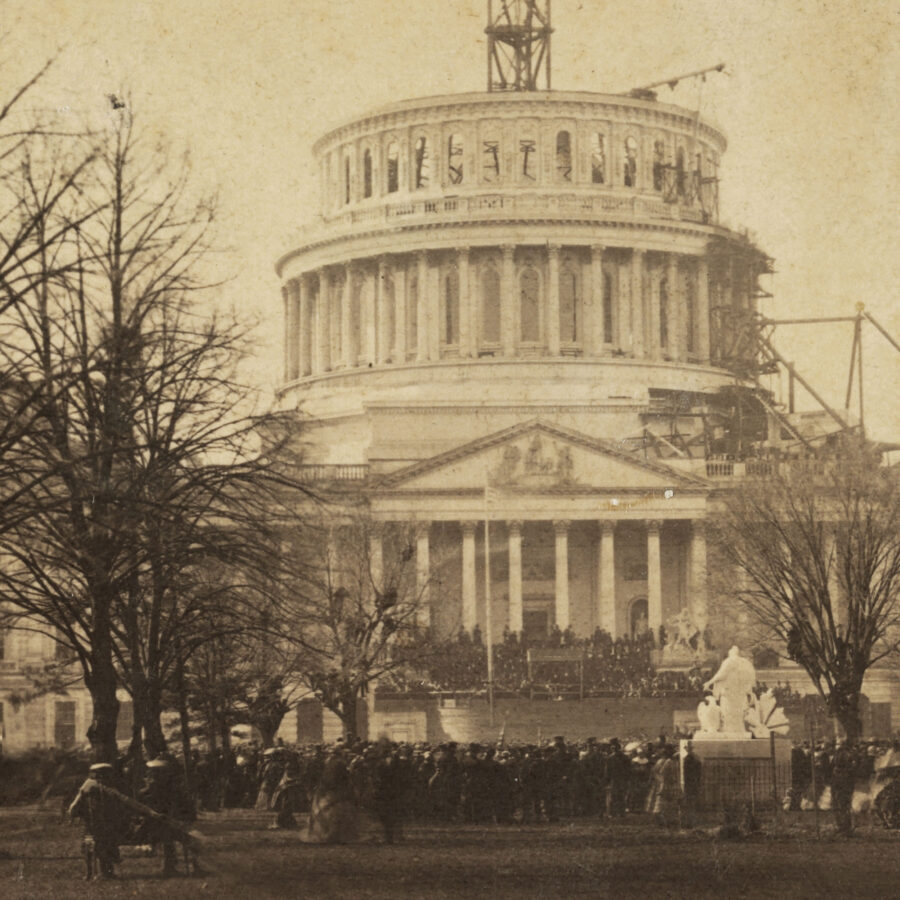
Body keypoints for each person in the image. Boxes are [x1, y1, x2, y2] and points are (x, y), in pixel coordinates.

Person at [139, 757, 195, 877]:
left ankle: (171, 866)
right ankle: (174, 867)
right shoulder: (171, 791)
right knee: (188, 837)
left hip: (150, 828)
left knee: (174, 834)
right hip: (155, 828)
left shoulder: (145, 792)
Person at [68, 762, 122, 880]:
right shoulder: (98, 787)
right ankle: (99, 873)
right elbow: (76, 804)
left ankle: (95, 873)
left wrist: (73, 813)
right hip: (97, 823)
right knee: (100, 846)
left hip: (96, 823)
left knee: (96, 847)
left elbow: (76, 804)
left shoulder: (90, 786)